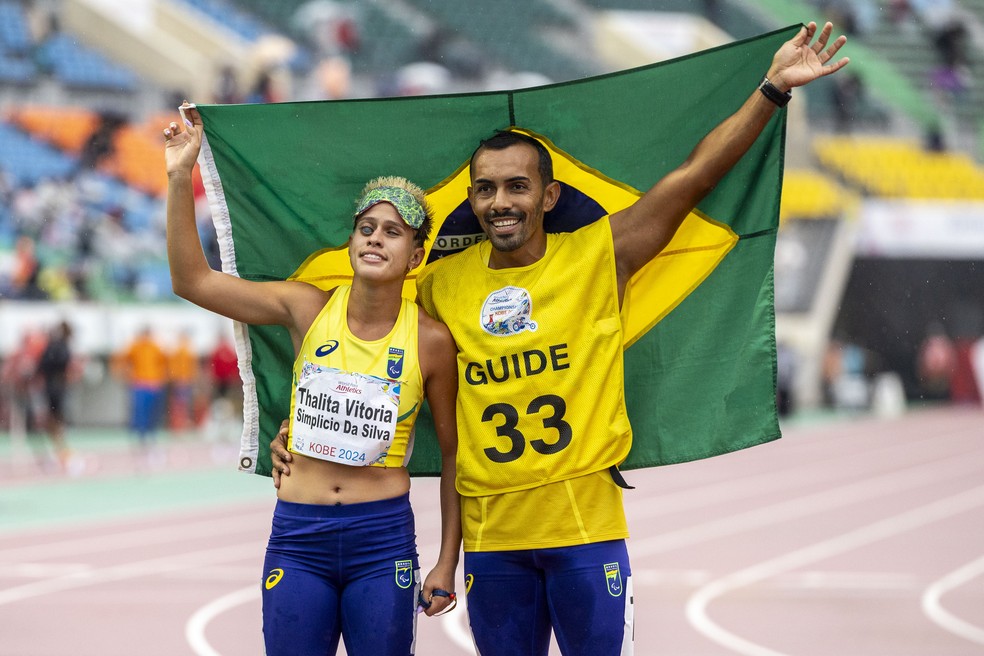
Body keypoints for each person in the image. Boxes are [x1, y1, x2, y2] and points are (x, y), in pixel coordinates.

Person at [273, 22, 849, 655]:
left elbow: (693, 177)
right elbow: (370, 346)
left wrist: (771, 89)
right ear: (471, 199)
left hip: (585, 529)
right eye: (486, 189)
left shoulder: (601, 254)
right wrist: (300, 431)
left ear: (548, 195)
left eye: (517, 186)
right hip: (492, 541)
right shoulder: (439, 285)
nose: (500, 202)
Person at [163, 104, 461, 656]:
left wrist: (448, 557)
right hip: (299, 537)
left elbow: (452, 456)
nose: (374, 239)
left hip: (382, 538)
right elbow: (191, 279)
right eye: (365, 228)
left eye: (391, 232)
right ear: (350, 243)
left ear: (416, 255)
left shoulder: (431, 341)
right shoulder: (306, 308)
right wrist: (181, 174)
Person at [113, 326, 169, 464]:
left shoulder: (156, 347)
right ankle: (141, 439)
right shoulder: (135, 346)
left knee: (152, 413)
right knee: (140, 413)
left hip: (153, 385)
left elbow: (164, 363)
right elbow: (121, 359)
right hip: (140, 385)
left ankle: (152, 438)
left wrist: (160, 378)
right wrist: (126, 375)